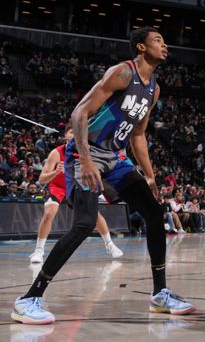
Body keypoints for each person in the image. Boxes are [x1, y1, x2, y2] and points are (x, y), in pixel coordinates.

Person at [11, 27, 195, 325]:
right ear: (141, 47)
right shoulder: (122, 73)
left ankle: (160, 294)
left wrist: (150, 176)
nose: (165, 44)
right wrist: (84, 158)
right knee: (84, 224)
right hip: (86, 153)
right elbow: (79, 113)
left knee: (152, 211)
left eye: (164, 39)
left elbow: (137, 134)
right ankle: (29, 298)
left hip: (116, 158)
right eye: (158, 40)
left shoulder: (154, 88)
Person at [29, 125, 123, 264]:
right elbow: (42, 179)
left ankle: (109, 244)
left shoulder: (86, 152)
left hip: (75, 185)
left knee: (94, 214)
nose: (74, 134)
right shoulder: (56, 153)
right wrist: (55, 172)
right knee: (49, 212)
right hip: (58, 186)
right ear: (65, 135)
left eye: (77, 132)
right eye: (71, 132)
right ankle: (39, 250)